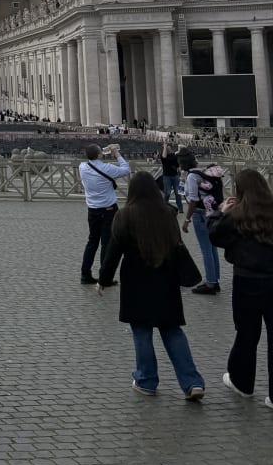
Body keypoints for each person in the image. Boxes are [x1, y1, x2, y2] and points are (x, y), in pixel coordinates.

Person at [98, 171, 205, 400]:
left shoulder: (124, 216)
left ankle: (147, 380)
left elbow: (113, 252)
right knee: (172, 330)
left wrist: (104, 279)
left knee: (142, 331)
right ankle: (192, 382)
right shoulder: (167, 213)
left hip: (136, 281)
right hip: (165, 279)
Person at [207, 168, 273, 406]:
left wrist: (220, 213)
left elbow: (214, 237)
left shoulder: (237, 215)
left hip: (247, 280)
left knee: (247, 334)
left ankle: (242, 383)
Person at [77, 142, 130, 284]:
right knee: (106, 243)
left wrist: (102, 152)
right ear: (100, 154)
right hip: (108, 210)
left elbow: (93, 157)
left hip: (92, 210)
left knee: (92, 241)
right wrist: (116, 153)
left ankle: (85, 274)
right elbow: (126, 169)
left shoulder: (82, 167)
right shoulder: (107, 168)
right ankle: (104, 277)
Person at [182, 155, 224, 295]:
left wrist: (187, 220)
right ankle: (214, 279)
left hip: (200, 213)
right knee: (212, 248)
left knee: (206, 249)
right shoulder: (203, 171)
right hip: (212, 212)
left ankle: (211, 283)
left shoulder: (191, 176)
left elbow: (193, 200)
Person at [158, 137, 182, 211]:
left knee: (178, 193)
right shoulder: (163, 157)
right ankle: (164, 206)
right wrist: (165, 145)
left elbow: (178, 165)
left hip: (175, 176)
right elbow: (164, 156)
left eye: (169, 148)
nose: (169, 148)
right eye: (167, 148)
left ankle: (180, 208)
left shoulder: (174, 156)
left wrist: (180, 172)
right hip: (167, 176)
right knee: (167, 193)